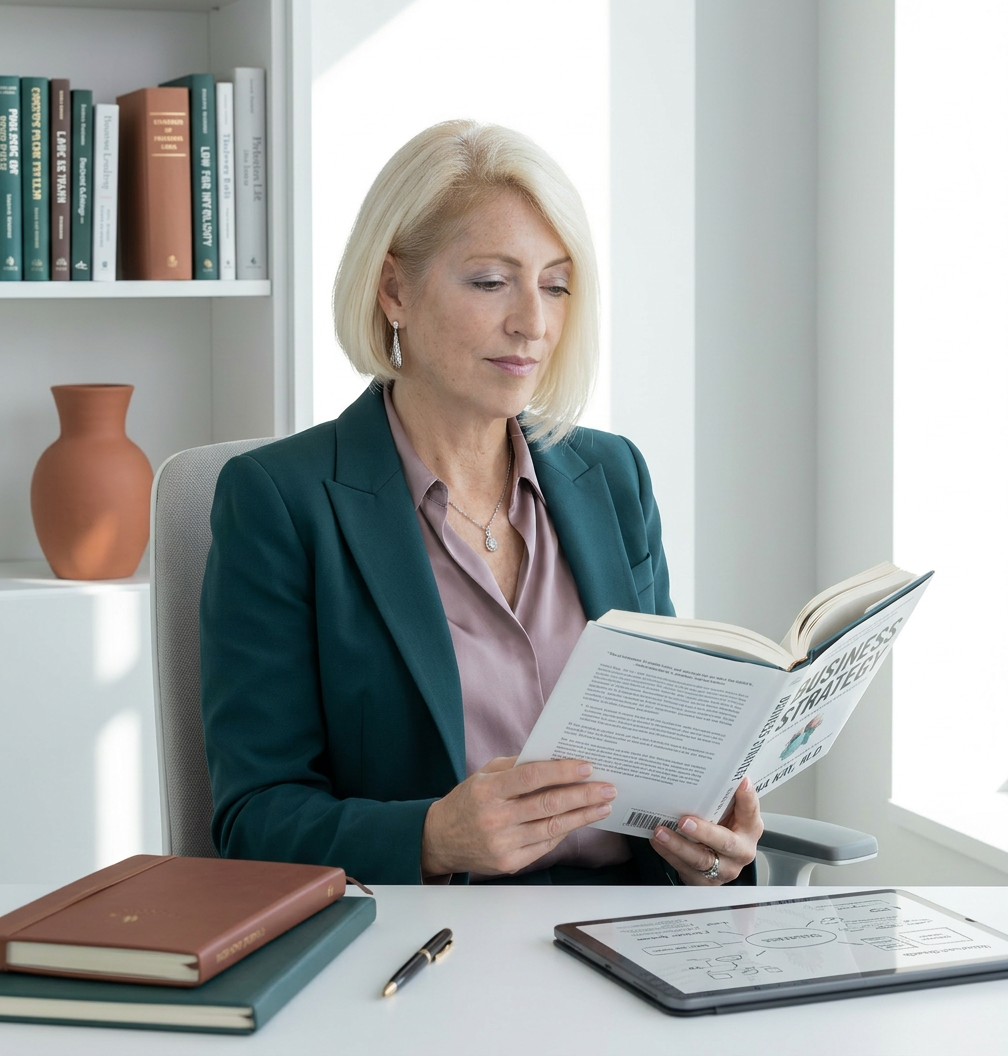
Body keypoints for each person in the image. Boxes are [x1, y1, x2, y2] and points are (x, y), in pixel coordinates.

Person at [200, 120, 763, 886]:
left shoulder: (613, 474)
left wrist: (705, 844)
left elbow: (664, 752)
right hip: (428, 945)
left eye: (556, 285)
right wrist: (431, 837)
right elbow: (253, 817)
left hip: (629, 928)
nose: (533, 321)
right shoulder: (281, 501)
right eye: (492, 281)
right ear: (394, 288)